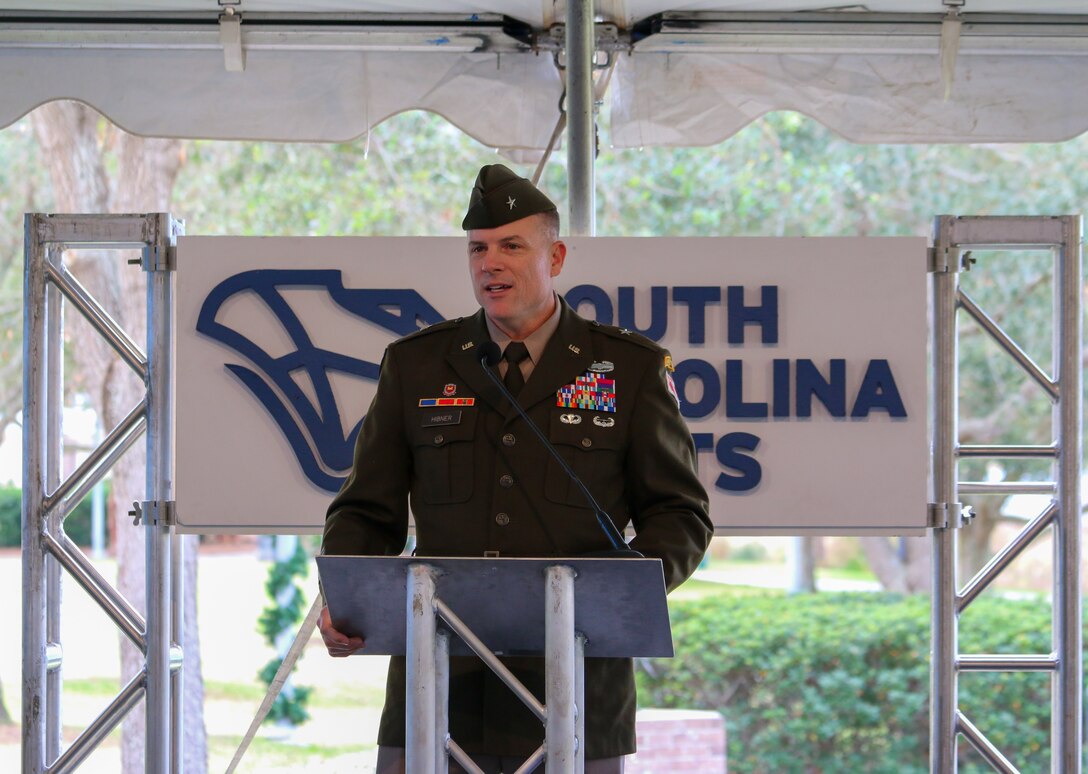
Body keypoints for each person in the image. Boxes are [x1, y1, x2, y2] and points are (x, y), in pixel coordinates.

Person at [319, 164, 712, 774]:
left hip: (578, 689)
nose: (489, 263)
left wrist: (618, 594)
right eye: (478, 248)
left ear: (555, 256)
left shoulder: (626, 369)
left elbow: (679, 515)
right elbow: (366, 509)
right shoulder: (418, 366)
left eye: (511, 246)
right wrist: (345, 599)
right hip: (436, 690)